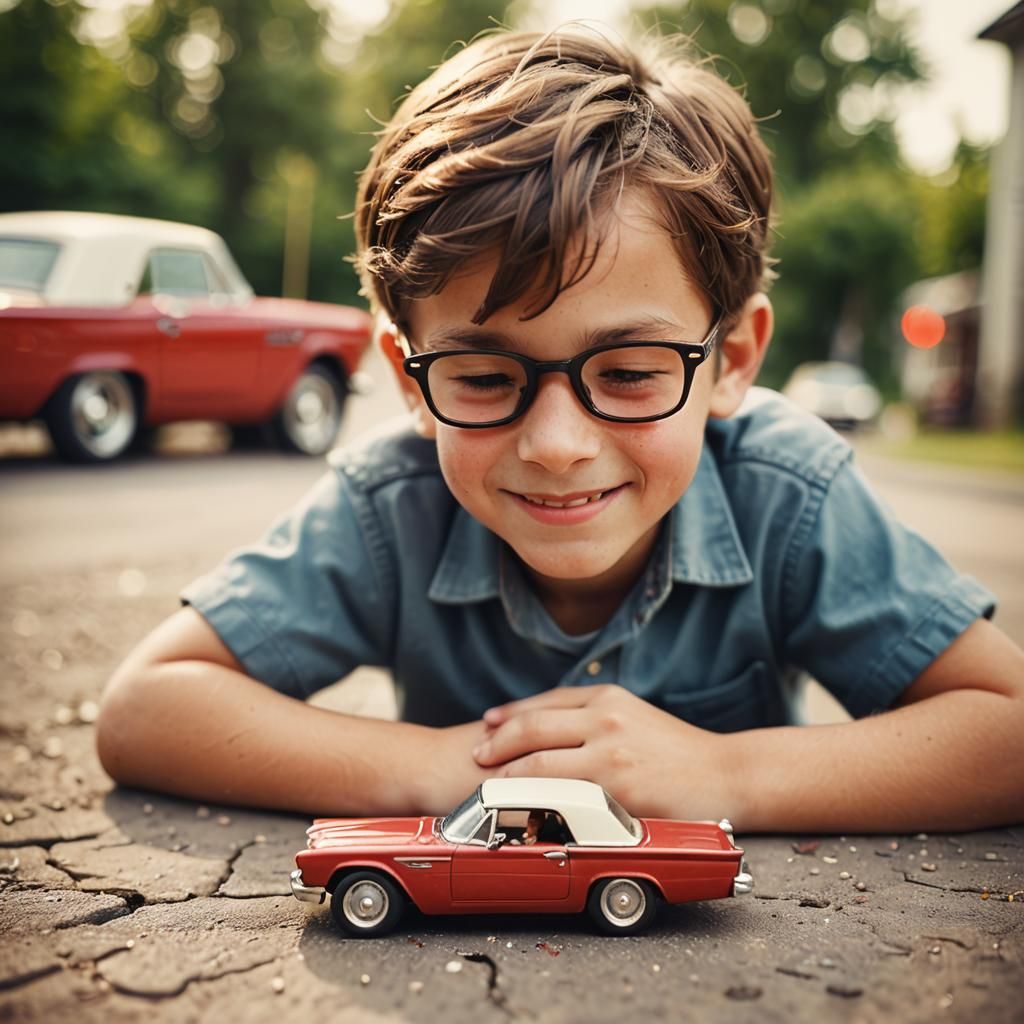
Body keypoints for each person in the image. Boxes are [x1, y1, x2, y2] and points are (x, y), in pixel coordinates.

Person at [96, 24, 1024, 833]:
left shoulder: (788, 494)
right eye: (486, 376)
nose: (555, 443)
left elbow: (1006, 727)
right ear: (407, 379)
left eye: (626, 373)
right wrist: (449, 771)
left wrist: (725, 774)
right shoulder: (391, 505)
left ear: (734, 359)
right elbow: (145, 709)